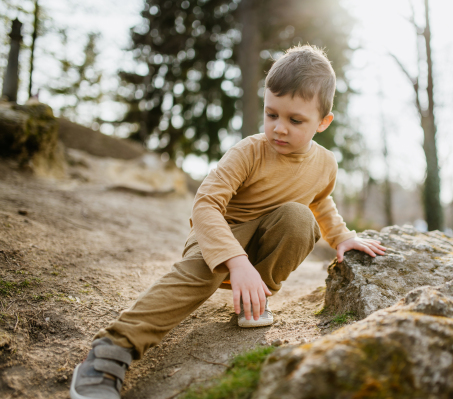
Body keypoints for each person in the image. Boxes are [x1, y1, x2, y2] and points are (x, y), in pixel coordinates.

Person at [69, 44, 386, 399]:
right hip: (219, 234)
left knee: (299, 218)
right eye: (271, 115)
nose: (279, 128)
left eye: (295, 120)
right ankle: (112, 349)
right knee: (204, 275)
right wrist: (234, 260)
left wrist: (341, 236)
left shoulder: (325, 163)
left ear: (323, 123)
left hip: (264, 244)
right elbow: (205, 204)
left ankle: (254, 297)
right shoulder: (249, 151)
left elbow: (319, 200)